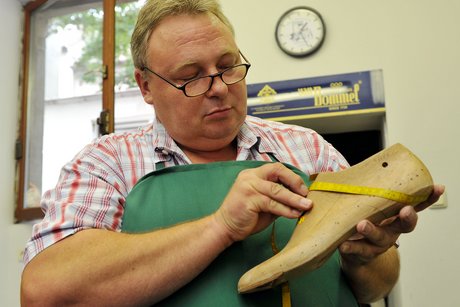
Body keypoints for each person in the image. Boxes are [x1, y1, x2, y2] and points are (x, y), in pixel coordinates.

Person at [20, 0, 444, 306]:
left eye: (228, 66)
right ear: (146, 87)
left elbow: (376, 287)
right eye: (191, 77)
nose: (220, 87)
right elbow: (46, 293)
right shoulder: (105, 165)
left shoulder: (309, 148)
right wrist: (220, 226)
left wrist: (363, 256)